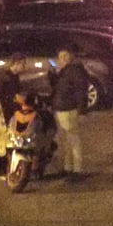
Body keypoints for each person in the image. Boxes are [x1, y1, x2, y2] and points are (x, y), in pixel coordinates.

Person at [48, 48, 89, 177]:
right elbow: (57, 88)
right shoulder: (63, 71)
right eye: (60, 56)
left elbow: (81, 91)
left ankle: (77, 169)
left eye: (65, 56)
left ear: (71, 56)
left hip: (69, 109)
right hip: (60, 109)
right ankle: (68, 167)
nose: (62, 59)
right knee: (64, 141)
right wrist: (52, 76)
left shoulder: (75, 71)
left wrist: (82, 111)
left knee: (73, 139)